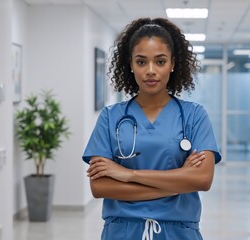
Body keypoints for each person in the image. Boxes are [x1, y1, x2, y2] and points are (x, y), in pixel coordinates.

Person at [83, 17, 221, 240]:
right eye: (141, 62)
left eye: (160, 61)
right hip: (122, 232)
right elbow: (100, 186)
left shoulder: (194, 115)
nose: (150, 71)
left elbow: (202, 180)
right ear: (130, 64)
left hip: (178, 232)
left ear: (173, 63)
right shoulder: (110, 117)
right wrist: (175, 186)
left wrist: (128, 174)